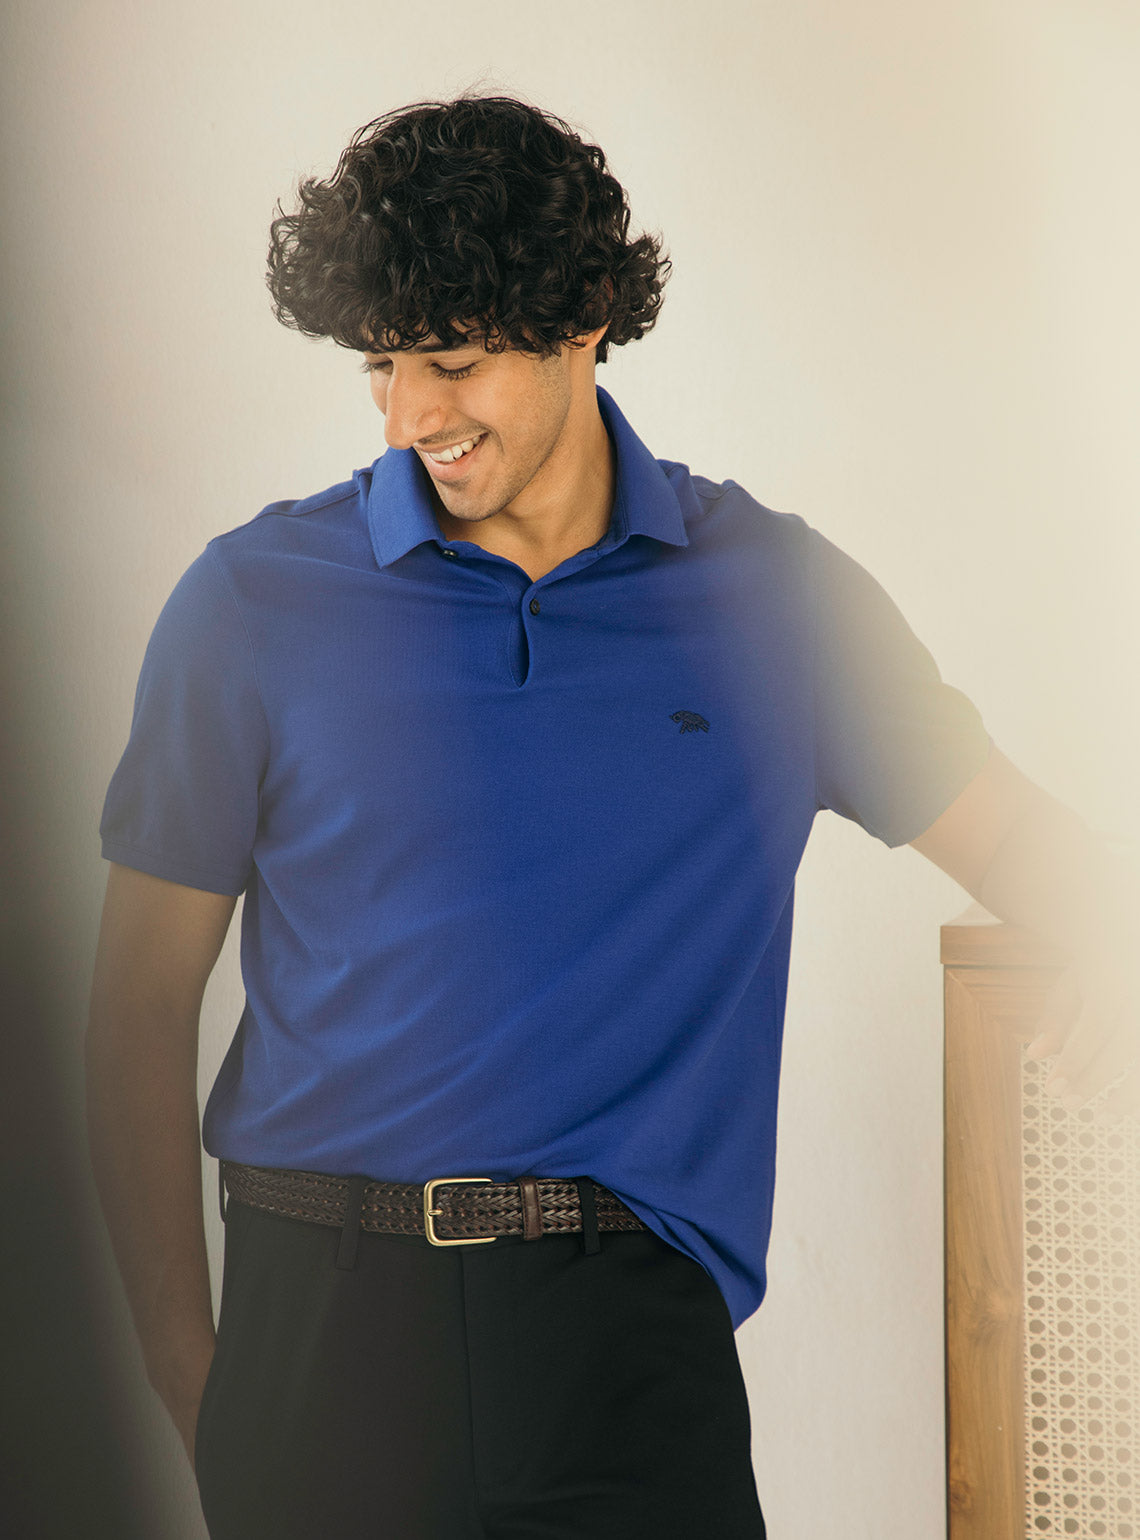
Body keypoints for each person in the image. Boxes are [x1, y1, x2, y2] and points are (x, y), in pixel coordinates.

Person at [86, 95, 1134, 1540]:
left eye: (451, 362)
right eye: (380, 365)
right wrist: (186, 1370)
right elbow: (138, 1005)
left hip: (630, 1347)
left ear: (583, 320)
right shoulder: (249, 604)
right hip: (319, 1327)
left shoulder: (778, 606)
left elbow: (1024, 847)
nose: (409, 419)